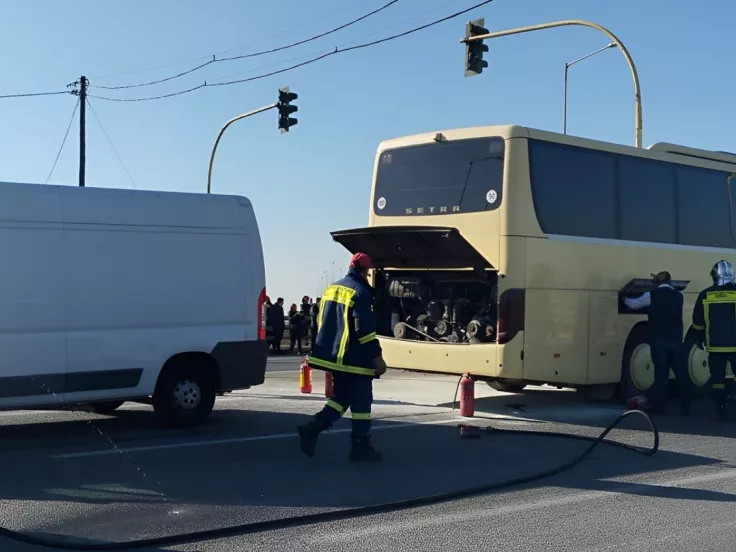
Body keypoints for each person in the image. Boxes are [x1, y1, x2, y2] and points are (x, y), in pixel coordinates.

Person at [298, 252, 388, 462]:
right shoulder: (361, 292)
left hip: (335, 357)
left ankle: (313, 428)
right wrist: (377, 358)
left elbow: (320, 321)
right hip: (354, 359)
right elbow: (364, 330)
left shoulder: (331, 289)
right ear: (366, 271)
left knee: (342, 398)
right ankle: (360, 446)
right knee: (362, 404)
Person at [622, 271, 691, 415]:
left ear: (657, 282)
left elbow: (634, 305)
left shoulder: (651, 295)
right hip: (676, 342)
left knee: (661, 375)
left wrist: (624, 298)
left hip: (659, 342)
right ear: (670, 281)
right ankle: (686, 407)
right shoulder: (680, 296)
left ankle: (660, 407)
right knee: (681, 374)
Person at [692, 260, 736, 421]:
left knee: (717, 379)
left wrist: (699, 339)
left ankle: (719, 407)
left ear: (715, 276)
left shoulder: (705, 294)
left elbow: (698, 322)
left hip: (715, 347)